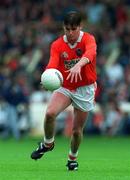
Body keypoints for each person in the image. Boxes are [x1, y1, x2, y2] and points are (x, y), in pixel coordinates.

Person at [31, 11, 97, 171]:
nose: (70, 32)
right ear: (63, 27)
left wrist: (79, 65)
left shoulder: (88, 39)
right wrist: (47, 78)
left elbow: (91, 53)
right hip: (66, 86)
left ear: (80, 27)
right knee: (50, 113)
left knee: (76, 131)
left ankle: (72, 158)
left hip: (85, 88)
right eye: (67, 29)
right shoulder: (57, 45)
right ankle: (48, 143)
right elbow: (52, 64)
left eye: (74, 29)